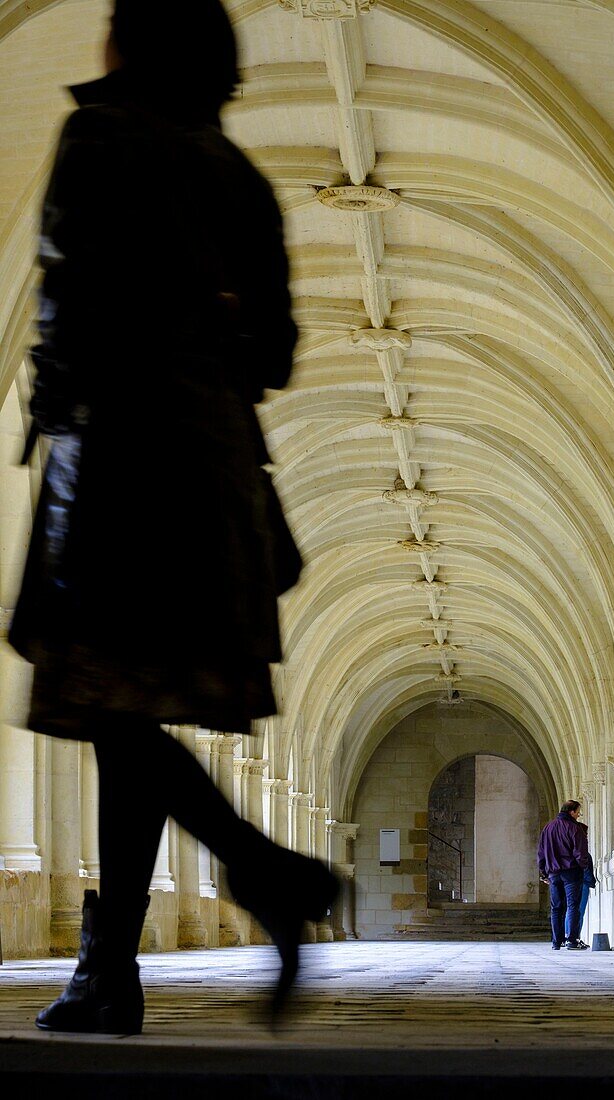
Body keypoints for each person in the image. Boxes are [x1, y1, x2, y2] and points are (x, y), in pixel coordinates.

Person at [8, 0, 338, 1035]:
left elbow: (66, 295)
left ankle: (262, 868)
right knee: (126, 719)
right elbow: (277, 351)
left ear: (134, 48)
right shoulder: (238, 178)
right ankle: (111, 968)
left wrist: (50, 409)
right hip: (217, 473)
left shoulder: (100, 133)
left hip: (122, 465)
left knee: (108, 705)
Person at [537, 800, 589, 950]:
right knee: (573, 905)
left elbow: (541, 853)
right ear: (571, 812)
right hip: (571, 872)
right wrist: (583, 866)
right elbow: (580, 852)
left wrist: (544, 873)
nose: (579, 815)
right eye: (578, 812)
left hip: (553, 874)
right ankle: (572, 940)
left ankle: (556, 942)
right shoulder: (574, 828)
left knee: (556, 908)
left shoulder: (548, 828)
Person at [565, 824, 596, 948]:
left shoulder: (568, 849)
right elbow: (585, 869)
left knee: (570, 910)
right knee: (578, 912)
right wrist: (590, 881)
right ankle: (574, 938)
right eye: (585, 834)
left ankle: (568, 936)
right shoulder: (580, 850)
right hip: (581, 884)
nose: (587, 837)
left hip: (570, 882)